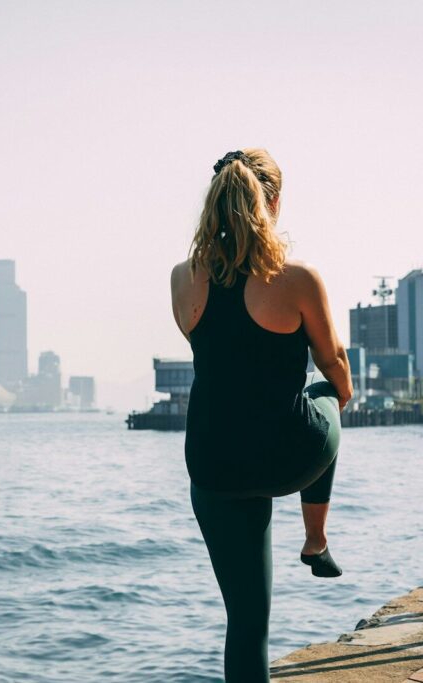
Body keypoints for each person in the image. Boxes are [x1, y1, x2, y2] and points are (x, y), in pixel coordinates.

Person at [169, 148, 353, 682]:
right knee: (326, 393)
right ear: (272, 201)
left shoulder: (183, 279)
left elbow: (220, 357)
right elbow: (333, 361)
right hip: (288, 459)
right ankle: (315, 538)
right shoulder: (295, 278)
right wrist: (341, 393)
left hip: (212, 467)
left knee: (247, 623)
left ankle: (314, 541)